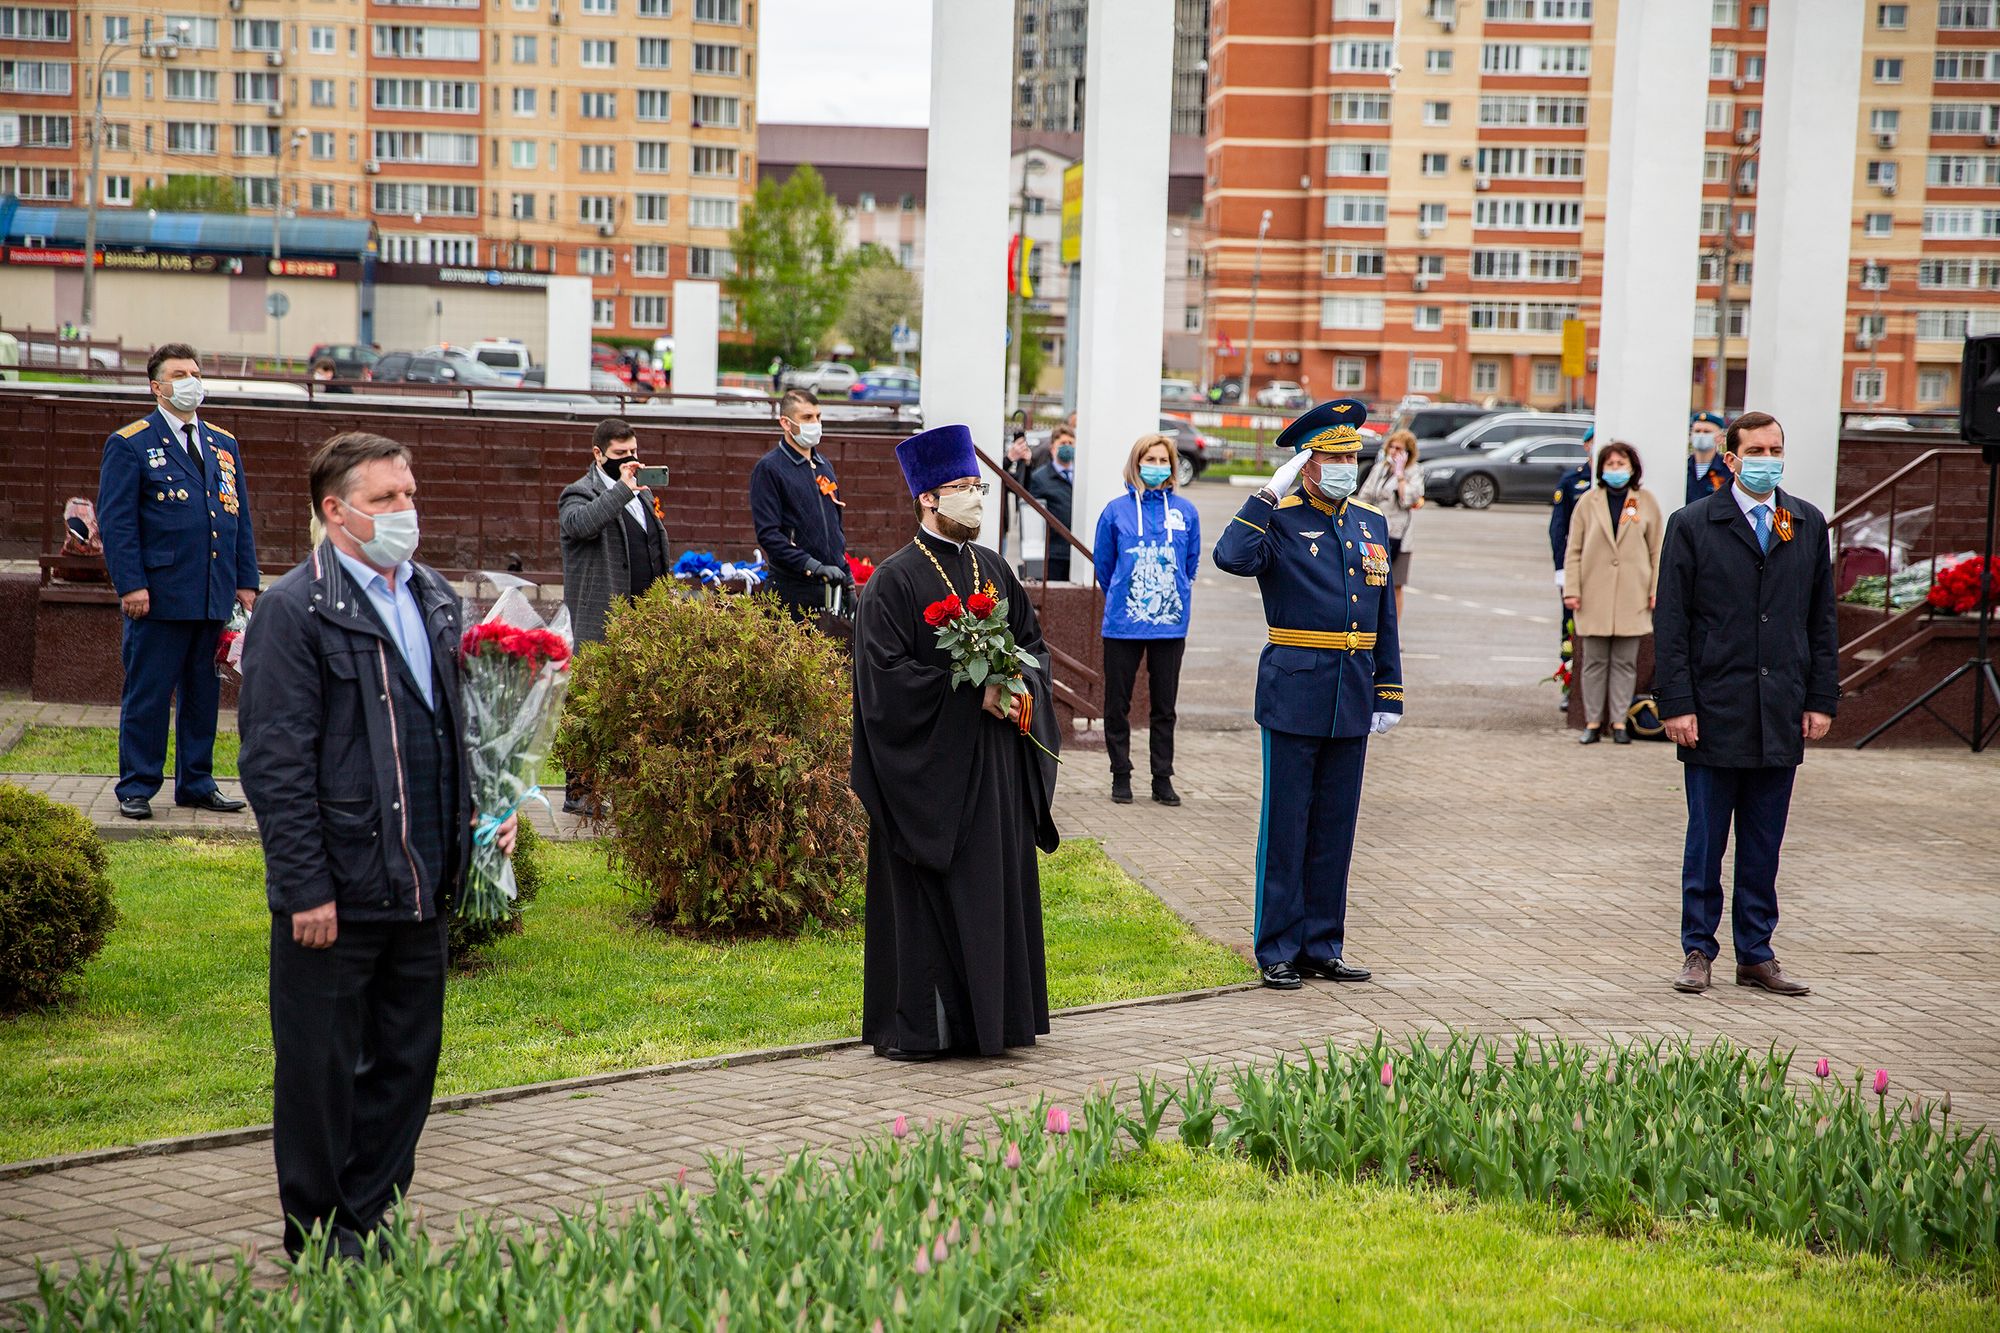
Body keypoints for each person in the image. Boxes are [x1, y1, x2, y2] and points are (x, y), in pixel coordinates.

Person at [237, 431, 519, 1260]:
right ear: (336, 510)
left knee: (406, 1064)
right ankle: (319, 1232)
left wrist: (492, 810)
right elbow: (274, 760)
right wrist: (304, 885)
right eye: (386, 498)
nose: (406, 510)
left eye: (410, 492)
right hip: (339, 888)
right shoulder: (296, 608)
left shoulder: (432, 595)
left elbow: (459, 730)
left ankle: (366, 1214)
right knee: (321, 1073)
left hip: (423, 879)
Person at [852, 424, 1062, 1061]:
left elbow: (1033, 649)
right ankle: (930, 1028)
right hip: (931, 776)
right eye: (964, 488)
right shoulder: (892, 581)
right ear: (928, 500)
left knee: (992, 891)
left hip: (993, 772)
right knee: (931, 904)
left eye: (979, 487)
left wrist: (1021, 684)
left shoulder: (993, 569)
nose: (977, 498)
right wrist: (973, 694)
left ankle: (992, 1023)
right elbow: (883, 683)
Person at [1213, 398, 1401, 991]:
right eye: (1334, 455)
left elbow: (1383, 615)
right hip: (1295, 691)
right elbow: (1230, 557)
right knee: (1286, 825)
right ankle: (1276, 948)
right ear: (1307, 463)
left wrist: (1387, 692)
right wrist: (1267, 497)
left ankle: (1323, 943)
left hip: (1351, 693)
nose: (1348, 464)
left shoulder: (1370, 522)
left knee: (1335, 828)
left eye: (1352, 454)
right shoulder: (1281, 518)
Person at [1654, 410, 1837, 999]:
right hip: (1713, 708)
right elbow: (1672, 623)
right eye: (1755, 450)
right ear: (1730, 459)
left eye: (1775, 448)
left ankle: (1756, 953)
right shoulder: (1694, 523)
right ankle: (1697, 950)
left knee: (1764, 844)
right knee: (1707, 841)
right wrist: (1677, 703)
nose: (1767, 459)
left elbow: (1821, 620)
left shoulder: (1803, 523)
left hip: (1779, 708)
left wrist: (1820, 698)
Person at [95, 342, 259, 820]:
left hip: (212, 592)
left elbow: (237, 517)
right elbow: (118, 521)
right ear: (157, 386)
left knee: (202, 694)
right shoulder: (131, 442)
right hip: (158, 596)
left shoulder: (222, 443)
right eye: (179, 374)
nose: (191, 381)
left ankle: (197, 782)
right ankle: (137, 785)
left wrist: (246, 580)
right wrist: (130, 585)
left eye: (195, 372)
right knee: (148, 693)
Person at [558, 419, 671, 814]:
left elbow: (651, 548)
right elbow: (582, 525)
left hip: (643, 620)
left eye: (634, 453)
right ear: (598, 455)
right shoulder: (577, 494)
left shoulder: (641, 494)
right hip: (599, 619)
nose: (630, 461)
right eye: (621, 455)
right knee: (589, 709)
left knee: (635, 709)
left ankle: (628, 793)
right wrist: (622, 488)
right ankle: (579, 793)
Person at [1093, 432, 1201, 807]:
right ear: (1136, 463)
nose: (1156, 467)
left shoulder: (1186, 512)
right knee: (1117, 703)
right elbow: (1104, 568)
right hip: (1123, 623)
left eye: (1162, 461)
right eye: (1149, 460)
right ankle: (1120, 774)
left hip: (1170, 625)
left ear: (1172, 467)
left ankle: (1162, 778)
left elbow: (1190, 565)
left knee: (1164, 706)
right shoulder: (1115, 511)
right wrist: (1128, 596)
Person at [1563, 441, 1664, 745]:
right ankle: (1593, 722)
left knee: (1625, 662)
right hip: (1593, 593)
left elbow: (1657, 549)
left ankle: (1620, 722)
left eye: (1621, 464)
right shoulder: (1589, 502)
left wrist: (1655, 589)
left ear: (1632, 468)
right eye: (1610, 464)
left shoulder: (1645, 501)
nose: (1615, 469)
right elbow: (1574, 550)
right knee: (1593, 662)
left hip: (1632, 595)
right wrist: (1572, 589)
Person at [749, 388, 853, 620]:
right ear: (786, 423)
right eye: (806, 417)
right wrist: (813, 566)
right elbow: (769, 535)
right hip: (790, 589)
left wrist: (847, 577)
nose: (815, 423)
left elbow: (835, 528)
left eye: (818, 416)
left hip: (829, 588)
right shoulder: (769, 469)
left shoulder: (824, 465)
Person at [1548, 425, 1597, 712]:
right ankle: (1571, 684)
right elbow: (1558, 530)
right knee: (1570, 629)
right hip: (1574, 569)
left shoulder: (1609, 483)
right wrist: (1560, 568)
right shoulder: (1571, 481)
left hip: (1602, 573)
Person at [1357, 428, 1425, 620]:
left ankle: (1393, 633)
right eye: (1392, 447)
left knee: (1395, 585)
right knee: (1371, 582)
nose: (1394, 452)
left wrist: (1400, 475)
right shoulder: (1380, 469)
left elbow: (1410, 499)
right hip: (1376, 532)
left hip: (1399, 535)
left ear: (1408, 453)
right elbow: (1365, 495)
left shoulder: (1414, 472)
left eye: (1400, 449)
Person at [1027, 424, 1077, 581]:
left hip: (1076, 551)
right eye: (1063, 443)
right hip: (1053, 552)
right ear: (1052, 448)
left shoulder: (1082, 476)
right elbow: (1033, 518)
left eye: (1070, 443)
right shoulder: (1040, 478)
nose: (1067, 447)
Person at [1686, 411, 1730, 504]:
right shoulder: (1684, 467)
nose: (1701, 435)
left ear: (1720, 438)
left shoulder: (1728, 469)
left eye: (1707, 432)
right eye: (1697, 431)